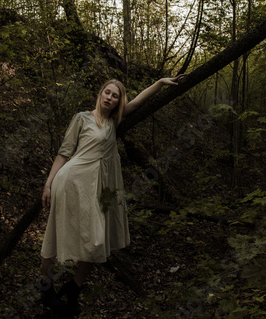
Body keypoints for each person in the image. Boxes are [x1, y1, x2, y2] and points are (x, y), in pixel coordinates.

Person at [38, 75, 185, 316]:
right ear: (99, 94)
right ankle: (45, 289)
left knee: (97, 243)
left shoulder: (113, 122)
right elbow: (64, 153)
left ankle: (74, 288)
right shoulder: (82, 118)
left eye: (115, 96)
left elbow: (137, 102)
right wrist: (48, 184)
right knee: (54, 238)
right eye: (107, 92)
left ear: (118, 102)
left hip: (96, 188)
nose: (110, 97)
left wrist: (159, 83)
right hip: (70, 182)